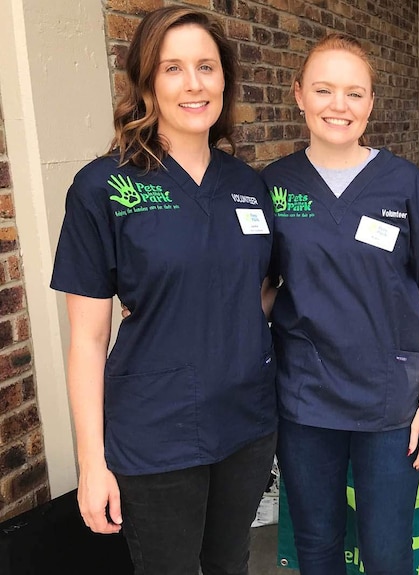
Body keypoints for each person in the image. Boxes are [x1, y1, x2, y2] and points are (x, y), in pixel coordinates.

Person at [49, 7, 277, 575]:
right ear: (147, 81)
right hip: (155, 433)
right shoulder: (104, 186)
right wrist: (93, 463)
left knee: (230, 564)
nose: (194, 83)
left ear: (225, 77)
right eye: (172, 68)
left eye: (206, 66)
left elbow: (254, 296)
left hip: (247, 424)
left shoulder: (247, 186)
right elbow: (86, 340)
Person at [260, 33, 419, 575]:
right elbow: (258, 291)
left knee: (386, 552)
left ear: (371, 103)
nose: (339, 105)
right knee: (317, 545)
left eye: (355, 94)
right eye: (324, 90)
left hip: (390, 406)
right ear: (299, 95)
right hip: (305, 402)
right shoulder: (273, 186)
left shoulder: (402, 183)